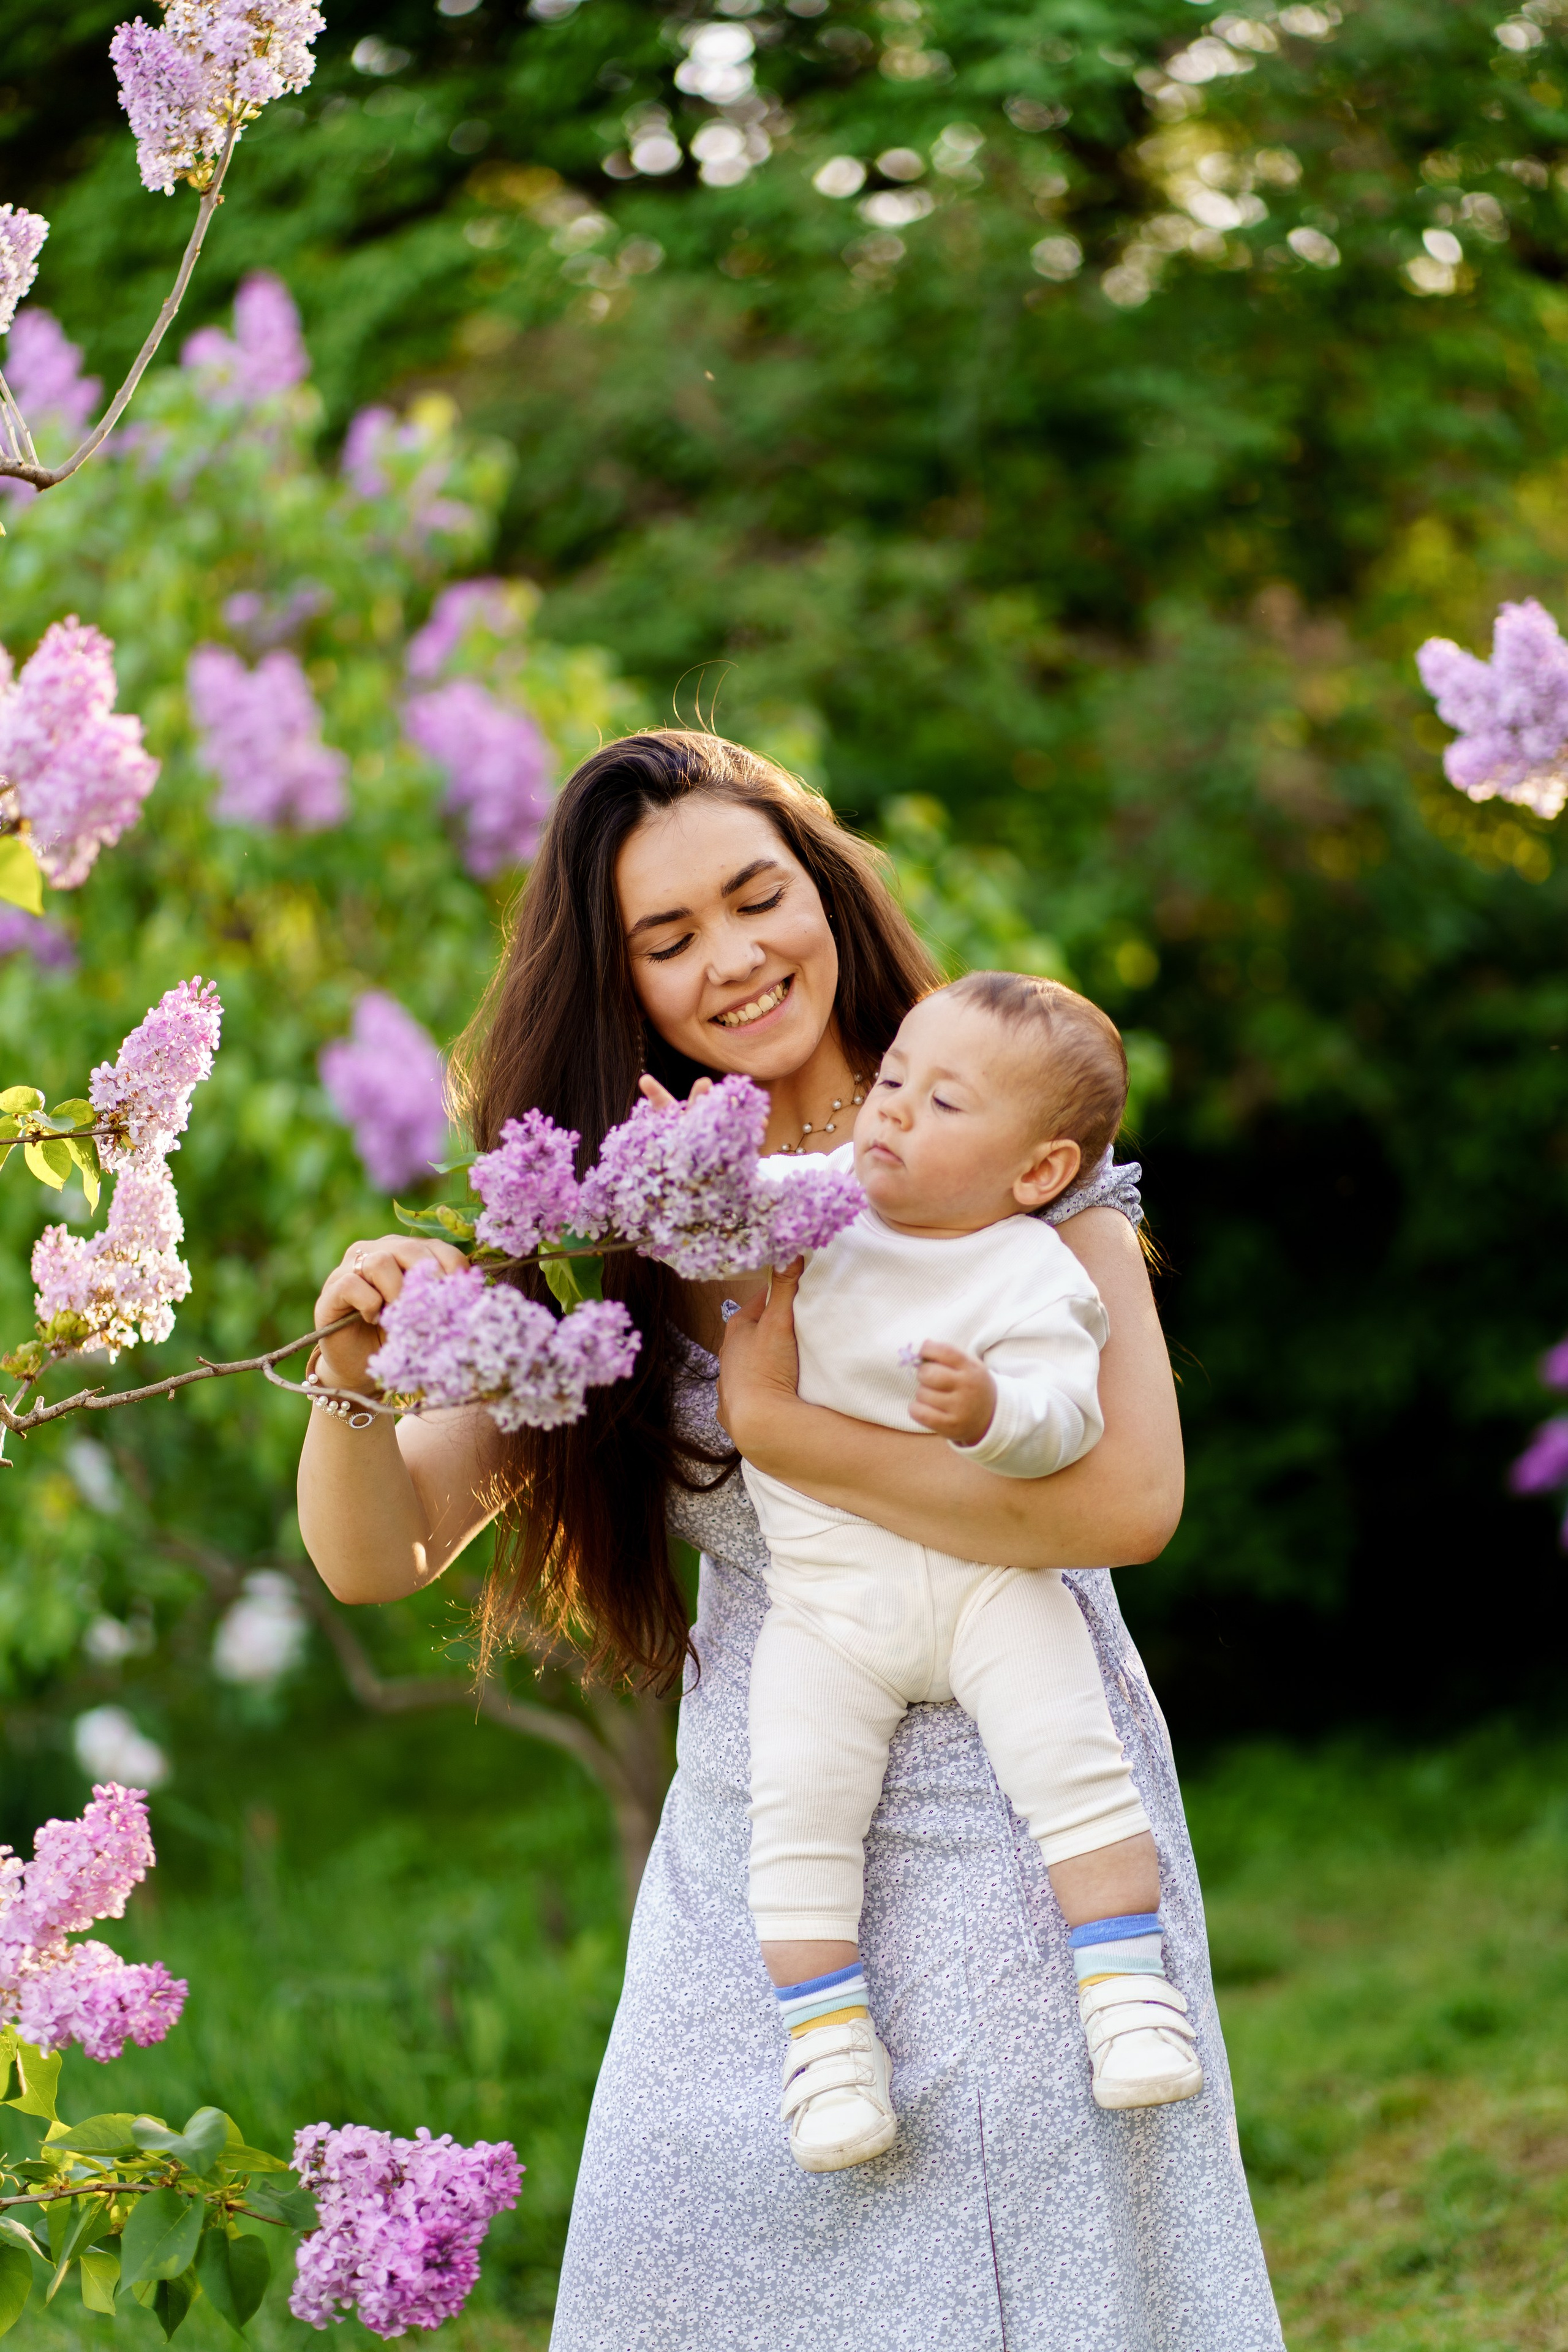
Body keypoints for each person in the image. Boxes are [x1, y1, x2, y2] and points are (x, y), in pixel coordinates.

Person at [298, 731, 1284, 2352]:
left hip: (1026, 1809)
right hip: (765, 1839)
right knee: (689, 2263)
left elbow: (1125, 1505)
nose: (735, 960)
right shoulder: (621, 1228)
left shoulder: (1006, 1134)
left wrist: (784, 1426)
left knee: (1028, 2285)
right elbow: (383, 1552)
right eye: (668, 941)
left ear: (824, 886)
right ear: (620, 983)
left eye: (758, 898)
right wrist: (347, 1375)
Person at [742, 973, 1202, 2176]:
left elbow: (1063, 1423)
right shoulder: (819, 1204)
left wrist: (992, 1408)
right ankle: (828, 2045)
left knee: (1074, 1764)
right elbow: (709, 1196)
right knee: (794, 1804)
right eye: (892, 1078)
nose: (889, 1111)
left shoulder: (1030, 1268)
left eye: (941, 1103)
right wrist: (668, 1146)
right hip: (829, 1606)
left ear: (1038, 1171)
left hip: (991, 1584)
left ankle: (1124, 1989)